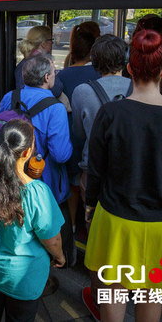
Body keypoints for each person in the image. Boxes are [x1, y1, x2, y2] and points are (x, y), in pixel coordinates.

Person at [84, 30, 162, 322]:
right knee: (151, 292)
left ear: (129, 69)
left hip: (117, 218)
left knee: (113, 288)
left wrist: (90, 207)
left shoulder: (111, 113)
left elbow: (96, 170)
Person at [0, 119, 65, 321]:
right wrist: (60, 258)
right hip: (22, 278)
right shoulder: (37, 193)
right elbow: (52, 240)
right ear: (27, 152)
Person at [70, 34, 131, 318]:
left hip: (93, 174)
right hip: (130, 175)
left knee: (98, 240)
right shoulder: (136, 87)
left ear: (95, 62)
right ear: (126, 60)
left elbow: (80, 137)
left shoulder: (84, 91)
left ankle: (98, 299)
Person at [0, 53, 74, 275]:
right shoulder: (55, 107)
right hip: (43, 181)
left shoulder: (9, 97)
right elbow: (61, 154)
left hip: (10, 175)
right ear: (48, 77)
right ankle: (45, 271)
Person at [56, 22, 100, 235]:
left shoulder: (62, 77)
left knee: (74, 186)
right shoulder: (101, 73)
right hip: (95, 140)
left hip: (72, 139)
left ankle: (72, 228)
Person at [15, 26, 63, 97]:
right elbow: (57, 89)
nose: (52, 42)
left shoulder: (25, 62)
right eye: (51, 39)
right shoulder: (43, 63)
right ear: (43, 44)